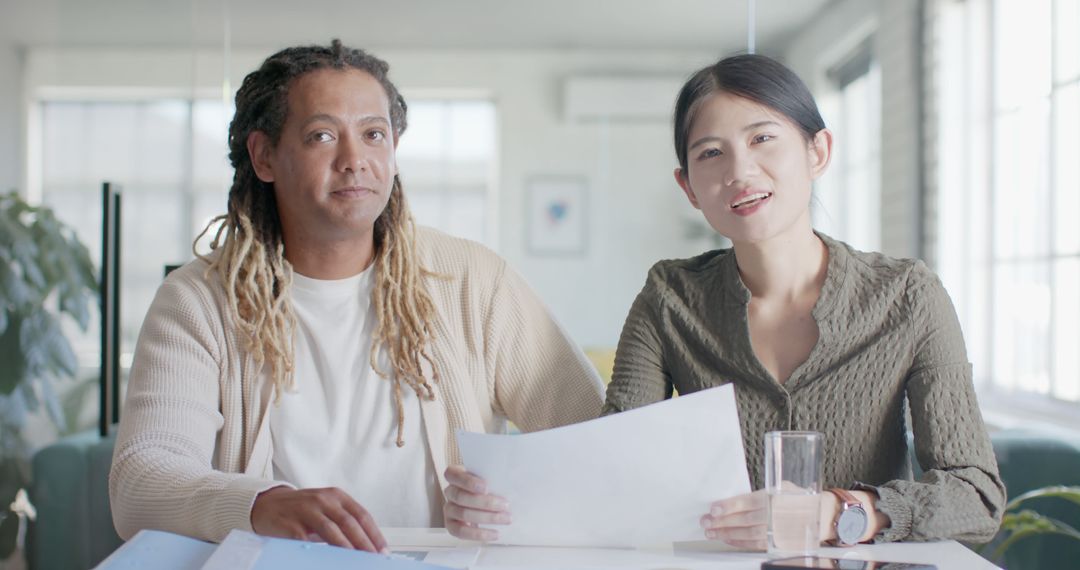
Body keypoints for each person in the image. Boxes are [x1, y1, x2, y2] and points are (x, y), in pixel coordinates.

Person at [109, 40, 603, 552]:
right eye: (322, 135)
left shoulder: (473, 280)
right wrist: (261, 504)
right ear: (264, 156)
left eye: (373, 134)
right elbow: (140, 482)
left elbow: (598, 442)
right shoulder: (199, 301)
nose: (355, 160)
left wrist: (520, 498)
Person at [601, 54, 1005, 548]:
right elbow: (613, 465)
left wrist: (841, 513)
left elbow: (977, 496)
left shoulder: (909, 296)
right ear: (688, 187)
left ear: (817, 151)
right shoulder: (668, 299)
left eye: (761, 138)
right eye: (710, 153)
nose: (739, 171)